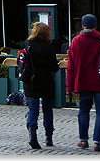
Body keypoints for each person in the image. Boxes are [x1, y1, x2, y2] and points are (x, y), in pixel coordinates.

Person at [66, 14, 100, 152]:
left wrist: (70, 85)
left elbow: (70, 65)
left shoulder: (76, 41)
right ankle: (98, 142)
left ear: (82, 26)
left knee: (84, 110)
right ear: (96, 26)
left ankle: (83, 140)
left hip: (83, 82)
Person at [22, 21, 59, 149]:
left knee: (33, 109)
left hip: (31, 82)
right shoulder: (49, 47)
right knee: (48, 109)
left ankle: (32, 134)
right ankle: (49, 137)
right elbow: (54, 68)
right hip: (46, 82)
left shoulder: (27, 45)